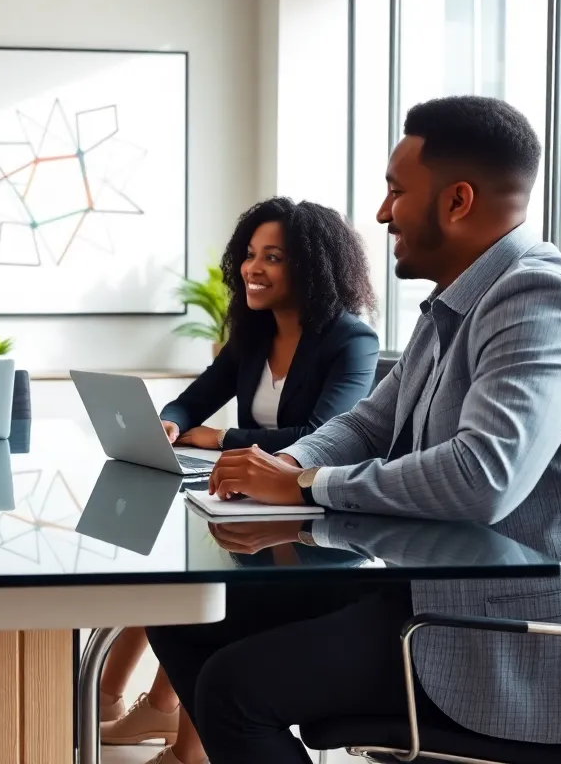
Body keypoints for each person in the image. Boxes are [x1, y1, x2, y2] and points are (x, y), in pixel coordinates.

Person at [145, 95, 561, 764]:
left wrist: (306, 484)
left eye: (396, 191)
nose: (381, 214)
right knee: (185, 618)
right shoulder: (458, 304)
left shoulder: (540, 300)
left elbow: (483, 477)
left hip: (513, 637)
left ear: (457, 200)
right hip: (429, 588)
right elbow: (367, 423)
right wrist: (280, 469)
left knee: (235, 690)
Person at [100, 197, 380, 764]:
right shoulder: (252, 336)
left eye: (273, 257)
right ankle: (147, 710)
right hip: (246, 502)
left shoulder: (351, 340)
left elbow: (325, 435)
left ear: (312, 265)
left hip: (311, 522)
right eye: (250, 254)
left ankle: (181, 740)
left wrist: (222, 438)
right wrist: (171, 423)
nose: (254, 267)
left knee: (190, 590)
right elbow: (192, 399)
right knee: (163, 569)